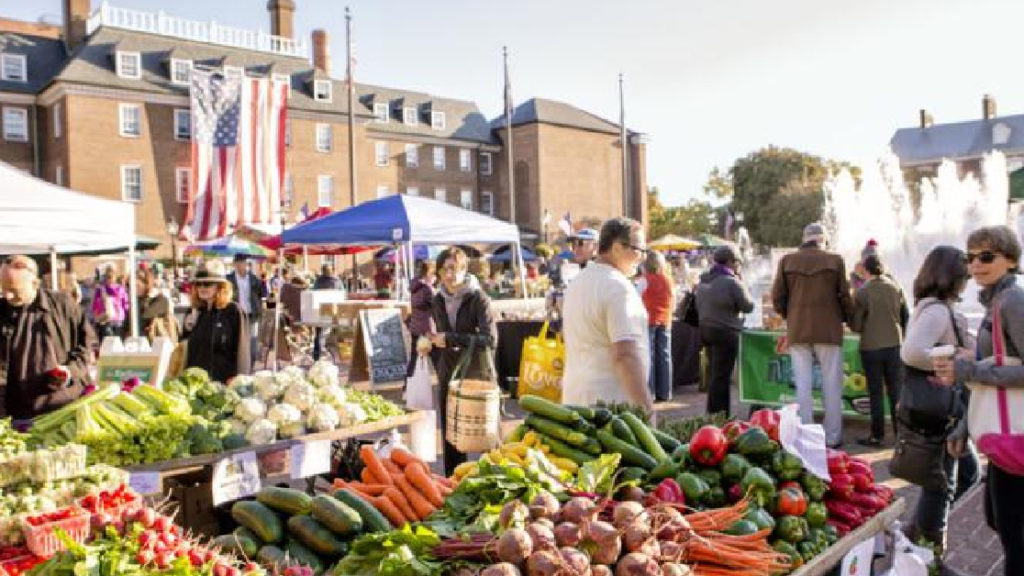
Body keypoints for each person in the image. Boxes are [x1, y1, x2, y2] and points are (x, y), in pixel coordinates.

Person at [934, 226, 1024, 575]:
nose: (976, 264)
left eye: (987, 256)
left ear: (1011, 259)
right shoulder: (996, 302)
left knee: (1013, 534)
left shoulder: (1012, 301)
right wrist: (964, 424)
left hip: (1016, 435)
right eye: (970, 257)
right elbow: (994, 372)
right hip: (1006, 436)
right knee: (999, 520)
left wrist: (967, 370)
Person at [900, 245, 979, 564]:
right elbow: (913, 351)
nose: (969, 278)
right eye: (965, 272)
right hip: (941, 411)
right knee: (941, 482)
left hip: (942, 409)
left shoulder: (934, 307)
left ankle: (915, 537)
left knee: (966, 474)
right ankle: (926, 553)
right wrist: (954, 357)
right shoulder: (936, 310)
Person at [771, 222, 854, 448]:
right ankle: (833, 437)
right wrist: (848, 319)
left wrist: (791, 314)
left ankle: (806, 434)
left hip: (798, 329)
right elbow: (845, 296)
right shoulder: (835, 260)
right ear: (823, 239)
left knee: (803, 384)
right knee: (832, 384)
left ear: (804, 238)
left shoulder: (787, 261)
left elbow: (777, 296)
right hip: (829, 328)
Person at [562, 218, 653, 414]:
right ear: (617, 247)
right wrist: (646, 410)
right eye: (638, 249)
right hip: (610, 410)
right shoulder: (618, 288)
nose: (643, 257)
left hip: (575, 401)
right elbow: (625, 355)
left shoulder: (577, 284)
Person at [0, 255, 95, 423]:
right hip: (14, 411)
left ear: (35, 283)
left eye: (14, 290)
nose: (7, 296)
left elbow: (88, 345)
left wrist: (70, 371)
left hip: (60, 408)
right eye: (3, 289)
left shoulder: (63, 305)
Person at [428, 247, 497, 476]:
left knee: (485, 436)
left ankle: (492, 482)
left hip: (477, 376)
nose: (450, 274)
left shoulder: (479, 298)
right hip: (449, 373)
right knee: (452, 434)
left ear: (464, 269)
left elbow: (490, 339)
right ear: (438, 273)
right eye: (445, 269)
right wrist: (430, 345)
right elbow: (441, 336)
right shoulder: (437, 299)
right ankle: (454, 483)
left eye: (455, 268)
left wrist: (450, 339)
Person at [849, 254, 908, 446]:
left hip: (872, 347)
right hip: (895, 345)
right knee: (896, 391)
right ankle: (901, 434)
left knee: (875, 392)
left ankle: (877, 435)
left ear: (865, 270)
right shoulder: (896, 287)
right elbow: (906, 317)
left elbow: (856, 325)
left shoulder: (862, 292)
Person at [696, 245, 754, 415]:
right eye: (737, 263)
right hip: (725, 333)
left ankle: (714, 413)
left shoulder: (704, 279)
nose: (738, 266)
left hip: (706, 331)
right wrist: (741, 282)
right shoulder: (732, 282)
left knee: (715, 374)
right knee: (721, 377)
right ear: (730, 262)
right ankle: (720, 415)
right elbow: (748, 306)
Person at [181, 260, 250, 383]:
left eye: (207, 284)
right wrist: (187, 329)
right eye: (198, 284)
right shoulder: (194, 311)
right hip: (195, 384)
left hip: (223, 384)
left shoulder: (233, 311)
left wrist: (239, 382)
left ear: (220, 287)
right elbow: (184, 348)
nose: (202, 288)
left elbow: (242, 352)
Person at [641, 251, 675, 402]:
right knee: (665, 356)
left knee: (650, 356)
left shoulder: (644, 280)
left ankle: (651, 392)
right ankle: (665, 392)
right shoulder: (668, 280)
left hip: (649, 319)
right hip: (665, 320)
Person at [228, 255, 266, 370]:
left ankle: (251, 367)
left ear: (246, 264)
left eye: (243, 263)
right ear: (234, 264)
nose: (240, 266)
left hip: (251, 314)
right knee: (237, 341)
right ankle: (237, 366)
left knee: (252, 343)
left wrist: (259, 308)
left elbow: (261, 294)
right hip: (235, 315)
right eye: (238, 263)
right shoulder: (229, 279)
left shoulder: (254, 279)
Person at [407, 260, 437, 378]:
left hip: (415, 326)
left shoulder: (414, 287)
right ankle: (444, 386)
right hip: (427, 329)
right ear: (430, 273)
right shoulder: (427, 289)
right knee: (437, 358)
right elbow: (436, 307)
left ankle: (408, 386)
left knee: (414, 358)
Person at [138, 268, 178, 343]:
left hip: (155, 344)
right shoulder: (136, 300)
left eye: (138, 283)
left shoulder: (160, 299)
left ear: (147, 283)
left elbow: (146, 315)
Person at [312, 264, 342, 361]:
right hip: (331, 311)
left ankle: (318, 353)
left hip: (320, 310)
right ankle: (323, 352)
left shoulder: (319, 281)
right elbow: (342, 294)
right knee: (325, 333)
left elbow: (314, 292)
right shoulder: (337, 281)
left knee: (320, 333)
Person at [90, 266, 129, 340]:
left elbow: (125, 304)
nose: (110, 279)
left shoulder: (119, 289)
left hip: (116, 319)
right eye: (108, 277)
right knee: (112, 340)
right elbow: (125, 304)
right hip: (109, 318)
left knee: (112, 340)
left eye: (111, 277)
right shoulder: (102, 289)